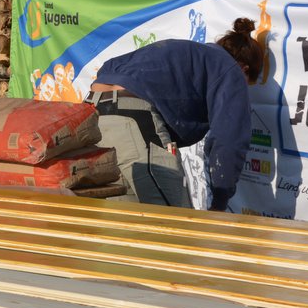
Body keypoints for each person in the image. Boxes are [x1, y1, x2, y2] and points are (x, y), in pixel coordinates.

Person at [88, 17, 265, 213]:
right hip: (134, 117)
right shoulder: (230, 70)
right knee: (175, 221)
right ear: (244, 69)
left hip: (95, 112)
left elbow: (109, 69)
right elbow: (229, 137)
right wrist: (220, 200)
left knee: (124, 219)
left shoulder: (193, 55)